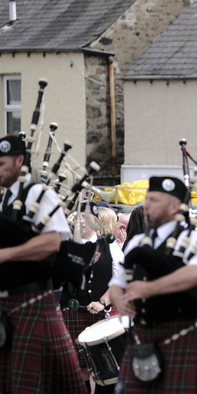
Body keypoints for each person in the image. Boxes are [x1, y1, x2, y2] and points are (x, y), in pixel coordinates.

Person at [109, 176, 197, 393]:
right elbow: (117, 282)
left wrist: (150, 288)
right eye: (147, 199)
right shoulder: (138, 242)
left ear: (175, 206)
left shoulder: (193, 236)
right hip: (142, 338)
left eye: (155, 200)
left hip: (182, 336)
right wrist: (118, 299)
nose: (146, 205)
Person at [0, 135, 87, 393]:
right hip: (8, 305)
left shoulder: (37, 194)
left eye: (2, 163)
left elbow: (52, 243)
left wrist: (5, 255)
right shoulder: (4, 201)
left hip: (32, 302)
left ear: (19, 161)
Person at [60, 202, 124, 393]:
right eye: (77, 218)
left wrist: (103, 301)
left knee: (102, 367)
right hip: (70, 314)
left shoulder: (109, 246)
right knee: (76, 368)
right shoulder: (65, 246)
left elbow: (120, 280)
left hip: (98, 316)